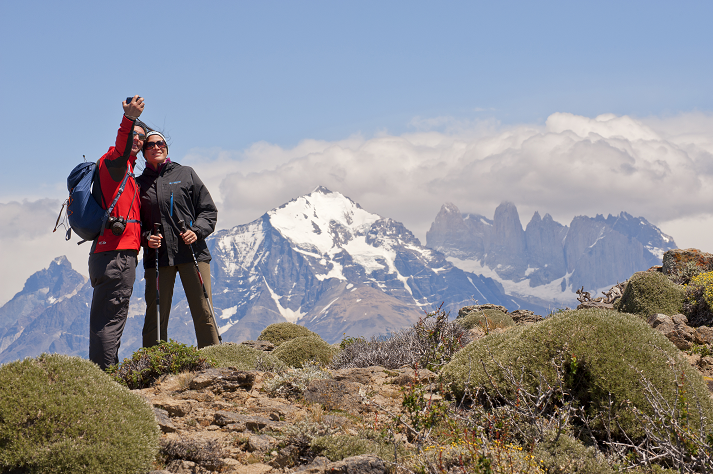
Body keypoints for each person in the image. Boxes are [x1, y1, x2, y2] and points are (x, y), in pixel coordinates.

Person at [137, 131, 220, 348]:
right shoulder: (137, 185)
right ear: (144, 152)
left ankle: (213, 363)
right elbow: (134, 224)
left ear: (166, 147)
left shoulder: (186, 173)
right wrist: (147, 238)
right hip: (158, 257)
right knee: (155, 315)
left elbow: (208, 211)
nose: (156, 147)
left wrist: (197, 230)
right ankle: (152, 366)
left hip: (192, 252)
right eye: (151, 145)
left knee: (203, 311)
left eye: (160, 143)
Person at [88, 96, 147, 369]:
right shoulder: (114, 163)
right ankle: (106, 383)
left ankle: (103, 378)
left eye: (141, 138)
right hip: (117, 256)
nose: (137, 140)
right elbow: (121, 148)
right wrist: (129, 119)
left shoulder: (129, 174)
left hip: (111, 254)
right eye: (134, 135)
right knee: (110, 322)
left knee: (108, 319)